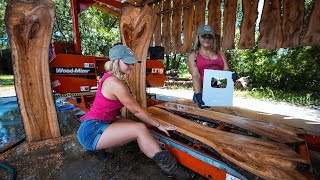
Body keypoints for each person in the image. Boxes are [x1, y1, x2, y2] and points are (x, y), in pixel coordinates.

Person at [77, 45, 195, 179]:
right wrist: (159, 125)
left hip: (96, 123)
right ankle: (172, 169)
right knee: (140, 128)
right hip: (91, 132)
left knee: (135, 125)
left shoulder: (109, 77)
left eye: (132, 62)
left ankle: (100, 150)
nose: (131, 66)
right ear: (116, 62)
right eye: (127, 63)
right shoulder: (116, 83)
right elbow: (137, 111)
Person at [188, 25, 234, 109]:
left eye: (210, 37)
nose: (206, 39)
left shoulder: (220, 54)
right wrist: (199, 95)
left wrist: (231, 76)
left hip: (220, 93)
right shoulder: (193, 55)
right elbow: (195, 75)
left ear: (213, 39)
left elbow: (226, 70)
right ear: (198, 37)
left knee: (221, 118)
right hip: (202, 93)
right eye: (203, 36)